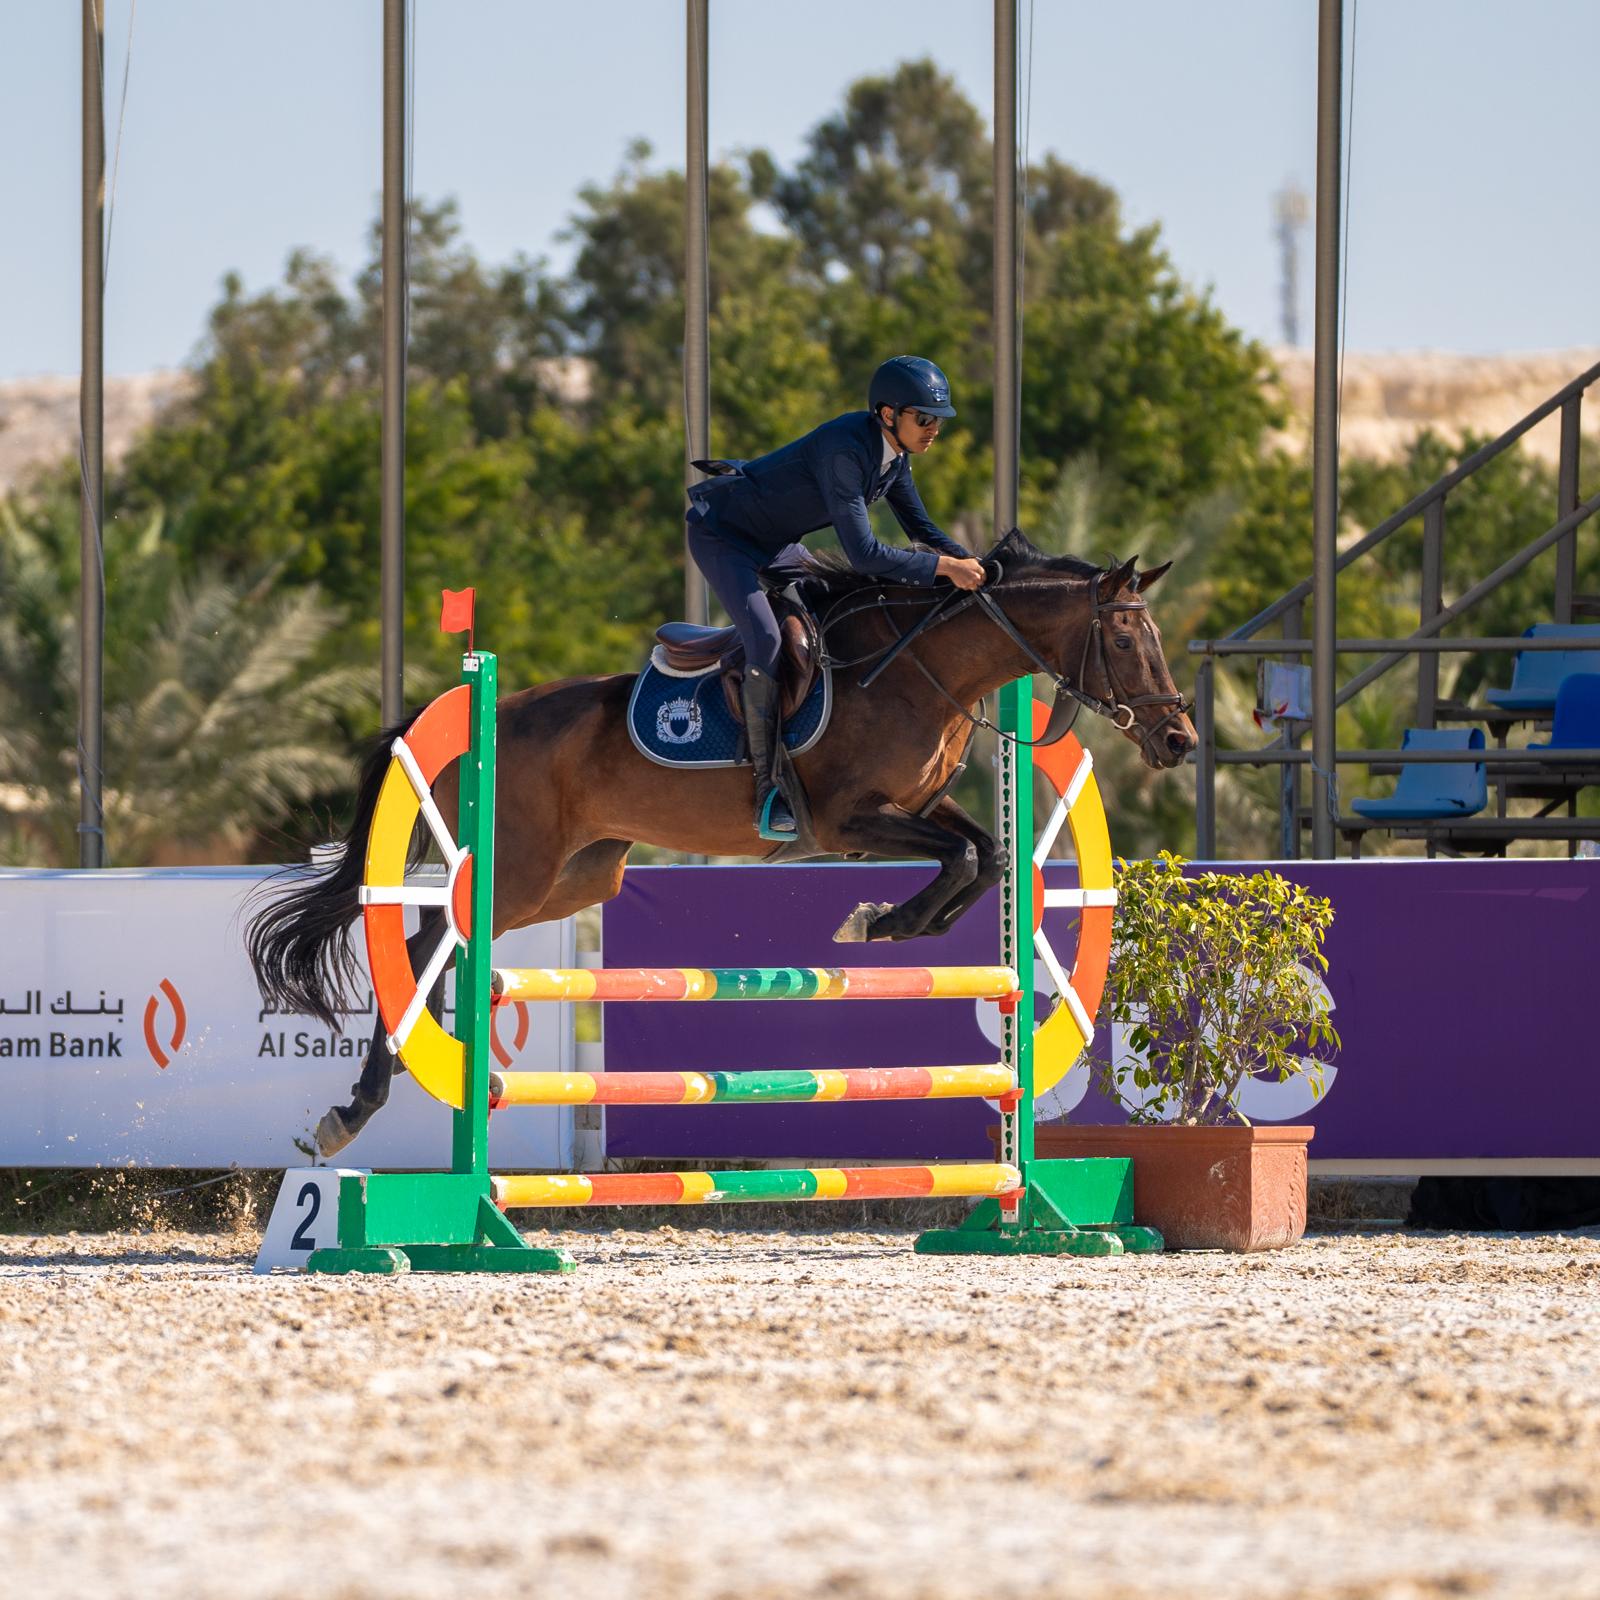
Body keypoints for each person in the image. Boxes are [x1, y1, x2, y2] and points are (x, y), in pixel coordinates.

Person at [685, 355, 987, 840]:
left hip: (775, 543)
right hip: (724, 537)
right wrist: (947, 568)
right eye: (925, 418)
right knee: (767, 640)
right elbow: (864, 555)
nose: (934, 429)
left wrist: (980, 565)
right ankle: (768, 788)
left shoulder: (894, 458)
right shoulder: (844, 451)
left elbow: (922, 529)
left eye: (939, 420)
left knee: (837, 613)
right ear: (888, 414)